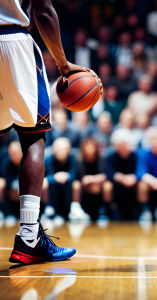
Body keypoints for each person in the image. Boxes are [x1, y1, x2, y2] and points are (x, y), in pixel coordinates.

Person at [0, 0, 99, 264]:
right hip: (13, 43)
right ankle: (29, 237)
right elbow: (42, 11)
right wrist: (63, 65)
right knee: (33, 138)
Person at [43, 138, 89, 224]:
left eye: (65, 149)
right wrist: (55, 177)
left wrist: (66, 175)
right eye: (59, 149)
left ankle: (75, 208)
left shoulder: (73, 158)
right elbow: (47, 175)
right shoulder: (48, 159)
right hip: (53, 186)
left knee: (77, 184)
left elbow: (74, 174)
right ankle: (48, 207)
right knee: (44, 182)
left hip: (68, 184)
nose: (62, 152)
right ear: (54, 149)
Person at [105, 128, 138, 220]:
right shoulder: (111, 156)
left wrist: (133, 177)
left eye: (123, 144)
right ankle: (110, 211)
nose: (121, 147)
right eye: (118, 145)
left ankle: (140, 210)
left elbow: (140, 170)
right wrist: (121, 177)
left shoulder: (135, 156)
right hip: (117, 185)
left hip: (132, 184)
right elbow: (108, 172)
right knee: (108, 186)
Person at [76, 138, 110, 221]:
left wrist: (92, 178)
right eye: (88, 147)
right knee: (76, 185)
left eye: (92, 147)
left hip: (98, 184)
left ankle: (105, 211)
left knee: (108, 186)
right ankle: (77, 210)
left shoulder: (101, 158)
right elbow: (80, 177)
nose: (90, 149)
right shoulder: (80, 159)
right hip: (84, 185)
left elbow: (104, 175)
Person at [1, 141, 23, 226]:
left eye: (16, 152)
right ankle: (8, 214)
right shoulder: (6, 163)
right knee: (1, 185)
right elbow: (6, 180)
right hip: (12, 189)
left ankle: (40, 213)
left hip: (26, 188)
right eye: (12, 153)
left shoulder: (27, 161)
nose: (14, 155)